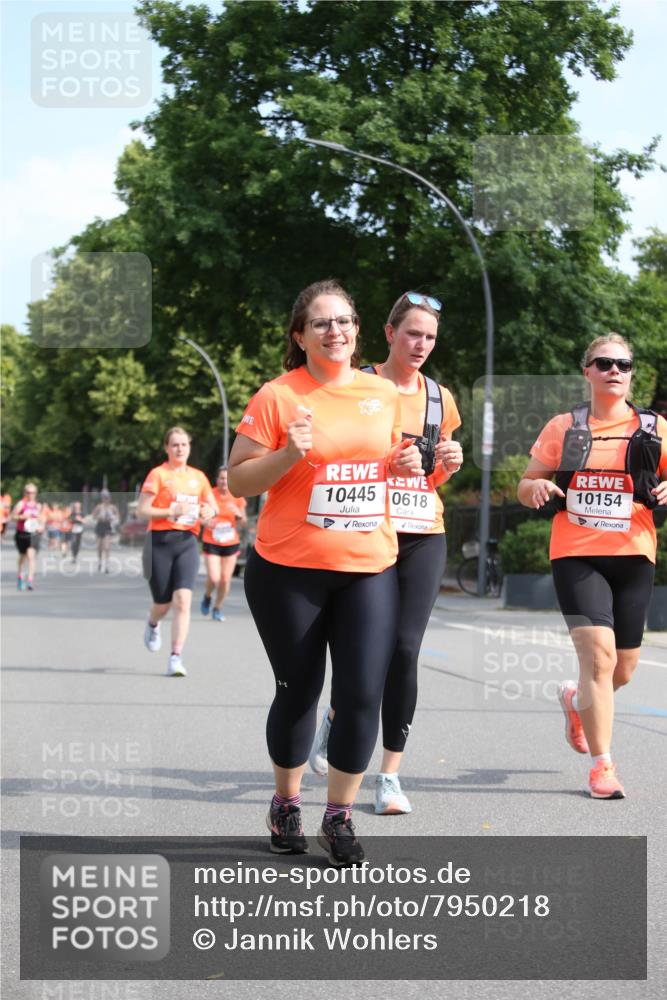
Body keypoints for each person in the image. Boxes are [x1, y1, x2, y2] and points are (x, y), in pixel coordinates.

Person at [228, 279, 425, 866]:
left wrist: (403, 460)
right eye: (320, 323)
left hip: (368, 565)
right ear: (300, 335)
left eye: (343, 321)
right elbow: (238, 480)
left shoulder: (381, 392)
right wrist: (289, 453)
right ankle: (286, 802)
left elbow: (386, 457)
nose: (334, 331)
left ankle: (338, 815)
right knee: (300, 691)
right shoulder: (278, 396)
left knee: (363, 691)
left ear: (358, 329)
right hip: (289, 569)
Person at [308, 291, 463, 815]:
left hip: (422, 531)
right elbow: (335, 457)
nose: (421, 344)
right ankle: (339, 717)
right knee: (363, 651)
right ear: (390, 333)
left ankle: (390, 776)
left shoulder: (441, 398)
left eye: (430, 337)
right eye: (413, 333)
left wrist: (448, 461)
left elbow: (434, 475)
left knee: (404, 649)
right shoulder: (357, 386)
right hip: (365, 530)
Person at [518, 333, 667, 799]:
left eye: (623, 364)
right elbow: (526, 485)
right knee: (598, 660)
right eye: (604, 363)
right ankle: (603, 767)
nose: (614, 371)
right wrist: (536, 491)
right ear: (587, 371)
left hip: (634, 553)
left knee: (622, 669)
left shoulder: (653, 428)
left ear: (631, 373)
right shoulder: (564, 427)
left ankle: (576, 702)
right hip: (576, 552)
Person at [138, 427, 216, 677]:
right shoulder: (158, 474)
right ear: (167, 448)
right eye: (175, 445)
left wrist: (208, 512)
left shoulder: (199, 477)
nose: (180, 449)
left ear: (189, 447)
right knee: (163, 604)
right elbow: (143, 510)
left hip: (187, 542)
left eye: (184, 444)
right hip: (158, 542)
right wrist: (171, 510)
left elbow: (212, 507)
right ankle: (153, 622)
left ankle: (175, 657)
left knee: (183, 600)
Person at [200, 467, 247, 621]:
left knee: (225, 579)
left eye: (227, 479)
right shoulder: (209, 495)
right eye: (221, 478)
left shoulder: (237, 496)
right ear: (217, 480)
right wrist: (207, 523)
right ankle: (207, 596)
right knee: (214, 578)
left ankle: (217, 607)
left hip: (230, 542)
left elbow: (244, 523)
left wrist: (238, 514)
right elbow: (199, 517)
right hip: (211, 540)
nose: (224, 482)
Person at [11, 483, 44, 590]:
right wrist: (22, 516)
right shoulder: (21, 504)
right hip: (22, 533)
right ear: (25, 493)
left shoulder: (38, 506)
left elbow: (42, 519)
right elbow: (12, 517)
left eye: (33, 492)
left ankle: (30, 580)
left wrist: (41, 526)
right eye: (28, 492)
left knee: (31, 556)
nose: (31, 495)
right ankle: (20, 576)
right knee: (22, 556)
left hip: (33, 534)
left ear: (36, 493)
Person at [92, 490, 120, 573]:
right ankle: (100, 562)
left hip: (108, 527)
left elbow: (118, 516)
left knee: (107, 547)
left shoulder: (113, 507)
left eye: (107, 498)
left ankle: (107, 565)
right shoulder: (99, 507)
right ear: (102, 499)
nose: (106, 500)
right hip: (99, 526)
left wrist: (113, 518)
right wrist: (99, 517)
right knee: (100, 547)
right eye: (104, 498)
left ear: (110, 498)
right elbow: (93, 516)